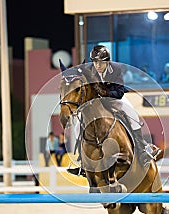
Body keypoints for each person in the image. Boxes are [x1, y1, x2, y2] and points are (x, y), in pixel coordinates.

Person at [67, 45, 161, 176]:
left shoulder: (115, 69)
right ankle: (82, 161)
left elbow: (120, 91)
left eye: (100, 62)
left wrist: (105, 94)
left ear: (107, 61)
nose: (97, 65)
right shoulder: (89, 71)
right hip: (96, 103)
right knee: (78, 125)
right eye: (95, 62)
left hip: (115, 99)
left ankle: (142, 149)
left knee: (131, 113)